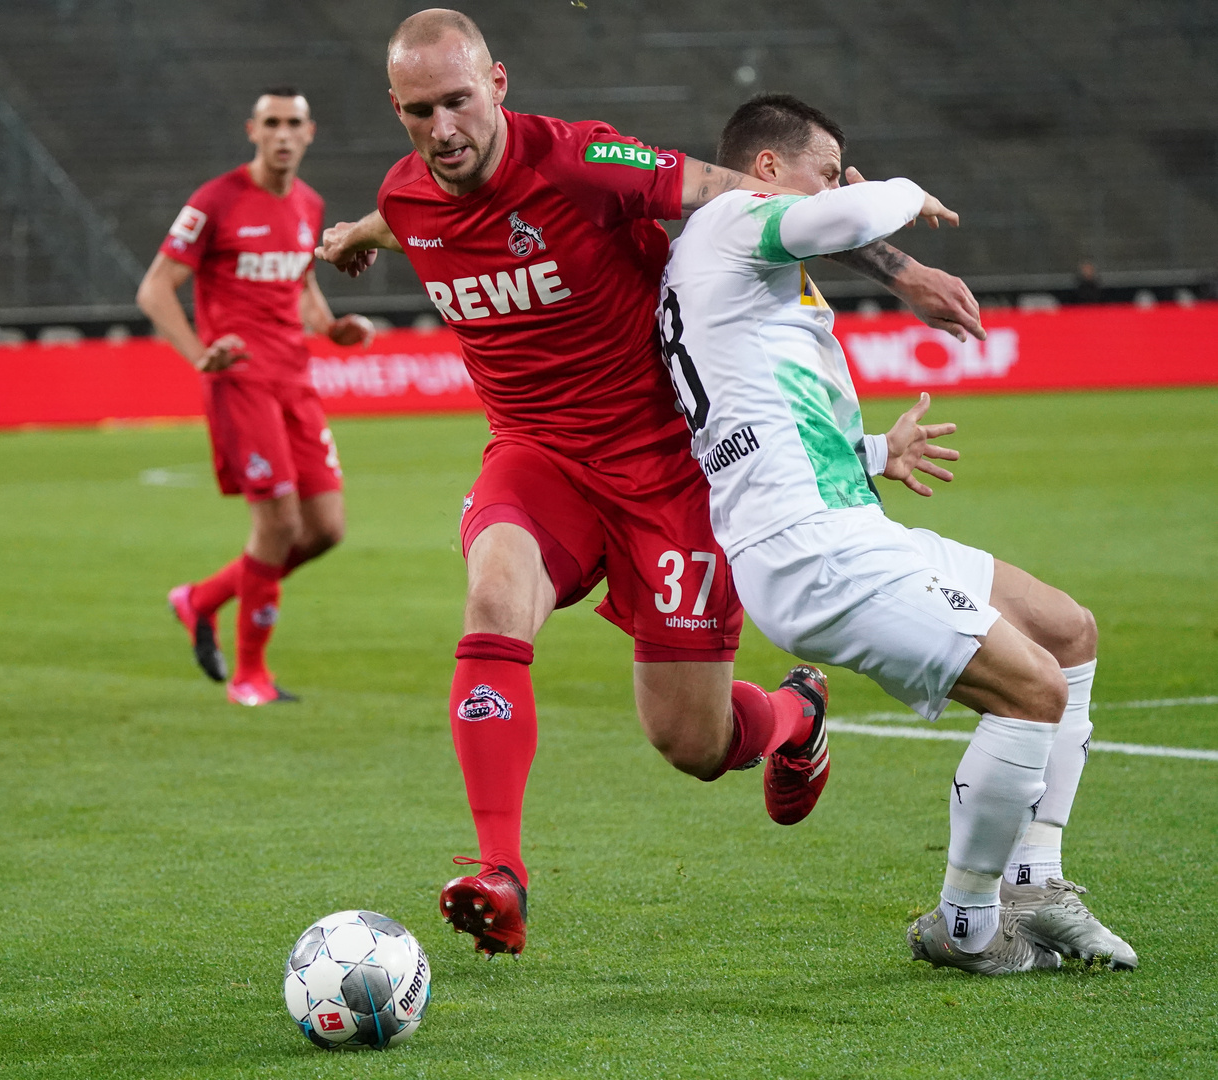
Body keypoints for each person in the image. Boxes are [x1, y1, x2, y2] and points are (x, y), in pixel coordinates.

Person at [315, 9, 984, 957]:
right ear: (398, 109)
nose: (444, 129)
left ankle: (795, 716)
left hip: (666, 471)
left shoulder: (585, 162)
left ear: (497, 85)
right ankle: (499, 872)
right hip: (536, 455)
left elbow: (742, 202)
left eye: (460, 102)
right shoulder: (411, 193)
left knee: (692, 744)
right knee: (493, 600)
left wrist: (900, 265)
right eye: (420, 112)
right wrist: (356, 234)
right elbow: (413, 208)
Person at [659, 93, 1134, 974]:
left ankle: (1037, 881)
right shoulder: (732, 218)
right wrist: (900, 193)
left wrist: (873, 448)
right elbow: (852, 213)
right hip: (814, 553)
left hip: (836, 525)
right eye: (826, 169)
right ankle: (968, 926)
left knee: (1067, 633)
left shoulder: (728, 266)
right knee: (1032, 692)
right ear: (768, 168)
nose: (838, 187)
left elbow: (755, 416)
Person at [139, 87, 375, 706]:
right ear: (252, 130)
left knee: (325, 528)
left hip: (295, 380)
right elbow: (155, 290)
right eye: (271, 123)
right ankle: (250, 675)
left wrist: (331, 327)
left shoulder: (308, 204)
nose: (282, 133)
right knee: (278, 524)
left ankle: (201, 599)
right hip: (240, 379)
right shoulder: (215, 201)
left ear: (309, 132)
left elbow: (297, 287)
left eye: (293, 123)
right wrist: (198, 355)